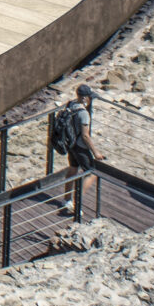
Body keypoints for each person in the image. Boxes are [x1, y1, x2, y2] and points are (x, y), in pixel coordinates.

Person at [49, 86, 99, 218]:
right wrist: (96, 153)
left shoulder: (71, 104)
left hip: (70, 143)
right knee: (91, 174)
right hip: (81, 147)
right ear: (84, 98)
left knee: (72, 169)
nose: (90, 100)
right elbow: (85, 136)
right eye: (89, 97)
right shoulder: (84, 113)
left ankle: (67, 199)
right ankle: (77, 204)